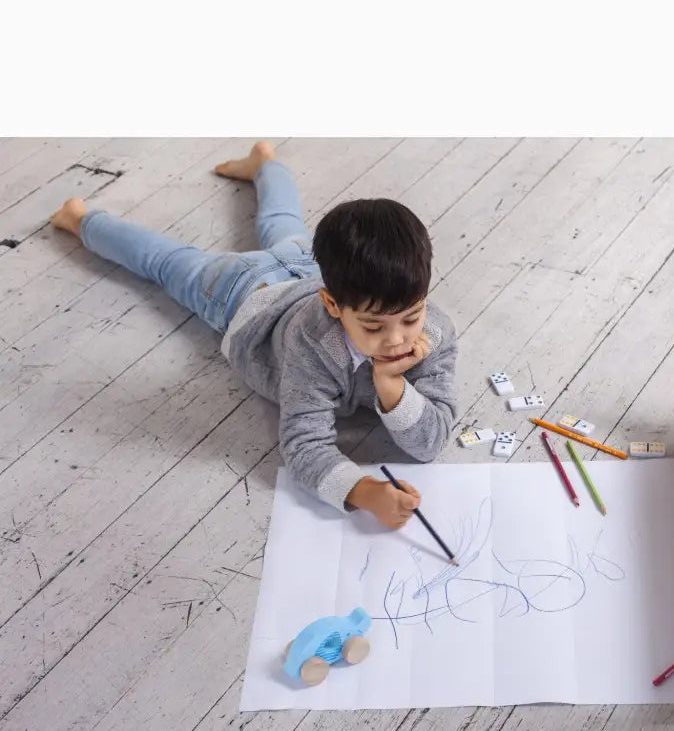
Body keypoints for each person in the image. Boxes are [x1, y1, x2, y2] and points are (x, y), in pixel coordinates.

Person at [51, 141, 458, 530]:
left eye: (410, 317)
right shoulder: (312, 347)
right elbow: (303, 446)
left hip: (305, 264)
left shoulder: (435, 332)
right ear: (333, 306)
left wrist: (392, 385)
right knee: (165, 262)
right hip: (242, 291)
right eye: (374, 327)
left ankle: (264, 161)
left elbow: (431, 442)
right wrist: (366, 493)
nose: (397, 340)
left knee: (283, 225)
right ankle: (81, 218)